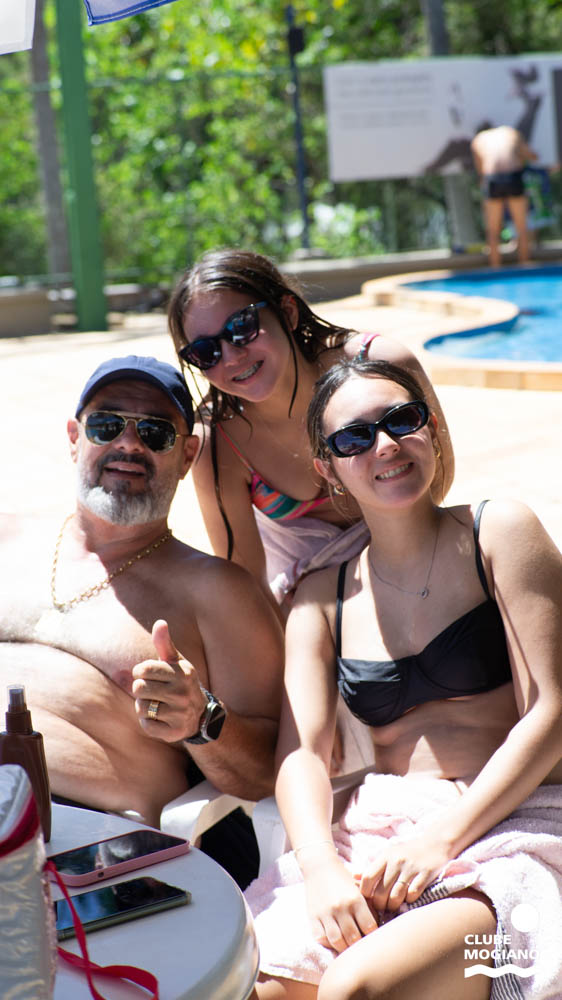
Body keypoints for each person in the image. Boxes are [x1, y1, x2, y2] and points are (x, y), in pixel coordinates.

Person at [245, 358, 562, 999]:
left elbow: (552, 711)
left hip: (514, 829)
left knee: (354, 988)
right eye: (353, 438)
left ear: (432, 428)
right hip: (382, 837)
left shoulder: (498, 532)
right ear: (327, 469)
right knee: (258, 988)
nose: (385, 445)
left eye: (401, 419)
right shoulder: (321, 598)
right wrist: (320, 867)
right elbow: (302, 755)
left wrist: (440, 840)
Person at [0, 355, 283, 884]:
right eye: (107, 425)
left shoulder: (218, 592)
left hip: (88, 844)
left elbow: (269, 772)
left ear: (187, 454)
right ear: (74, 437)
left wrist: (202, 721)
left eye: (155, 432)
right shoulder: (7, 538)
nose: (129, 444)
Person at [167, 249, 455, 618]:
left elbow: (438, 479)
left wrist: (375, 572)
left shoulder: (380, 367)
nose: (231, 356)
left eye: (241, 327)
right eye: (205, 351)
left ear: (287, 312)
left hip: (413, 563)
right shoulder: (218, 440)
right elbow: (246, 583)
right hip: (310, 607)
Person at [471, 124, 537, 268]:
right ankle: (525, 265)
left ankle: (495, 268)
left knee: (493, 230)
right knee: (522, 227)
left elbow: (481, 171)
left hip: (492, 178)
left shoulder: (478, 139)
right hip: (513, 176)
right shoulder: (510, 132)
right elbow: (529, 155)